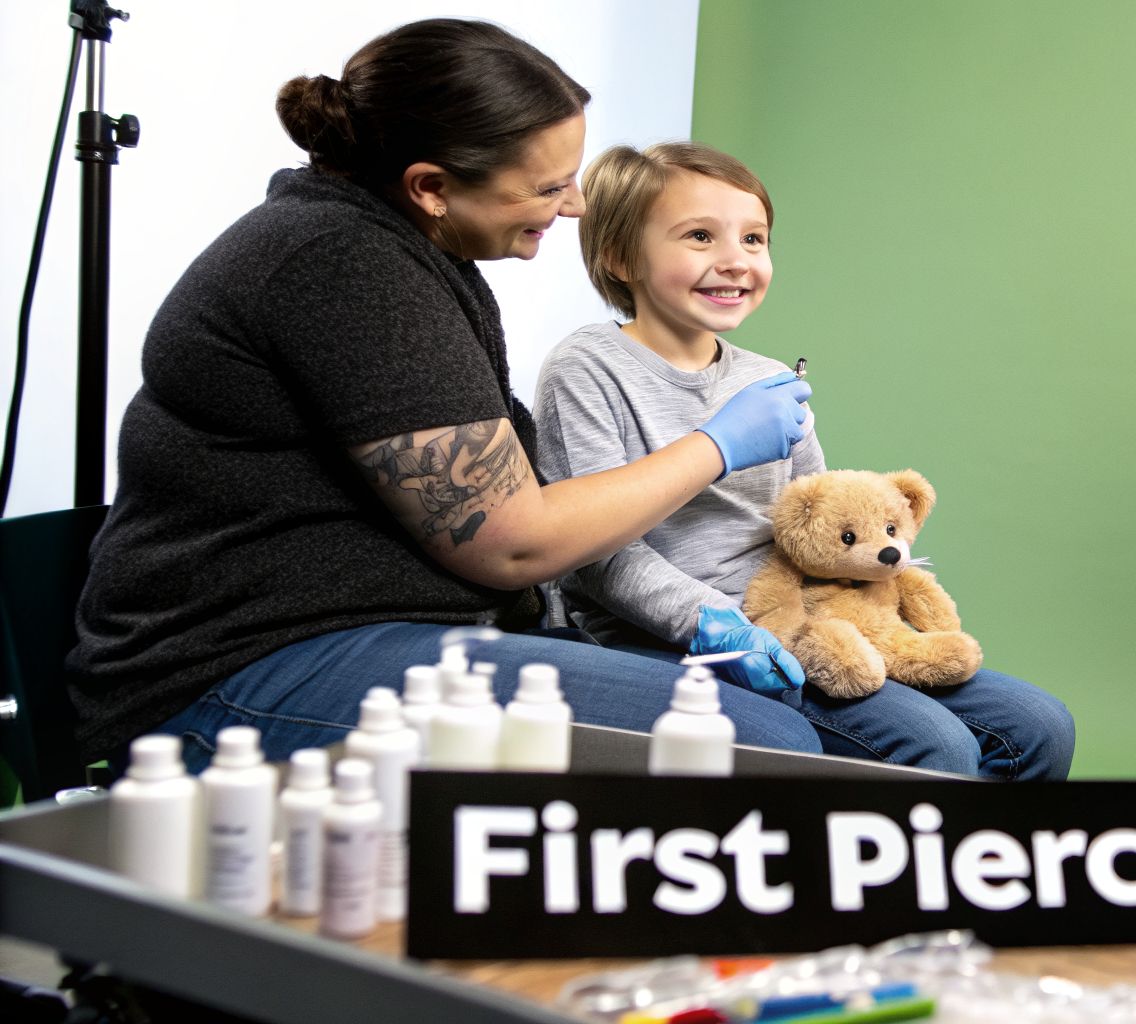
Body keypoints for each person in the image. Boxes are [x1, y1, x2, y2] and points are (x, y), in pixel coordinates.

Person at [66, 20, 821, 772]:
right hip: (234, 672)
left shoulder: (414, 257)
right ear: (430, 187)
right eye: (549, 185)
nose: (576, 207)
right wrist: (717, 445)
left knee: (891, 725)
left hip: (396, 636)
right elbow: (515, 540)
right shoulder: (341, 264)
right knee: (754, 744)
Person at [533, 142, 1075, 780]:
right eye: (701, 237)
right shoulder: (587, 371)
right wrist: (715, 622)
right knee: (935, 747)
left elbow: (814, 531)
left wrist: (877, 602)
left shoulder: (766, 383)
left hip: (803, 616)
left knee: (1039, 727)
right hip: (661, 634)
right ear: (619, 257)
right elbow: (593, 551)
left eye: (755, 239)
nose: (736, 261)